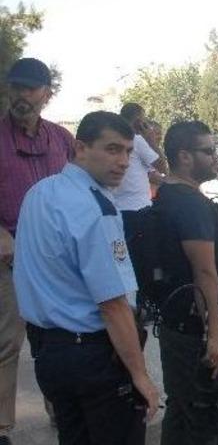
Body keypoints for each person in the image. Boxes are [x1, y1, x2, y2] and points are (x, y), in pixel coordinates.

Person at [13, 111, 159, 444]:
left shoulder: (40, 192)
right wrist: (140, 376)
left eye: (127, 152)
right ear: (80, 148)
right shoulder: (96, 209)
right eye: (112, 149)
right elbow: (114, 305)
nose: (122, 161)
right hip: (93, 358)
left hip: (50, 354)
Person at [0, 58, 76, 443]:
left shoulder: (61, 139)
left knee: (56, 338)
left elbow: (79, 188)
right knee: (6, 343)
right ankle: (1, 427)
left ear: (47, 93)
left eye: (30, 88)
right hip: (9, 259)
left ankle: (61, 407)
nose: (21, 96)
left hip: (55, 259)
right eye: (16, 87)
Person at [153, 121, 218, 445]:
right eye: (208, 150)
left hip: (175, 323)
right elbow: (205, 274)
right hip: (194, 329)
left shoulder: (167, 192)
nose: (215, 157)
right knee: (206, 415)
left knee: (181, 406)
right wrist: (213, 336)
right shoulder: (191, 203)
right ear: (185, 156)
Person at [115, 104, 167, 316]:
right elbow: (163, 166)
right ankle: (144, 304)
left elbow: (148, 174)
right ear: (139, 120)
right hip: (139, 211)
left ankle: (129, 304)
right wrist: (151, 140)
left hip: (117, 211)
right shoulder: (137, 141)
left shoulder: (116, 140)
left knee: (123, 260)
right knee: (145, 261)